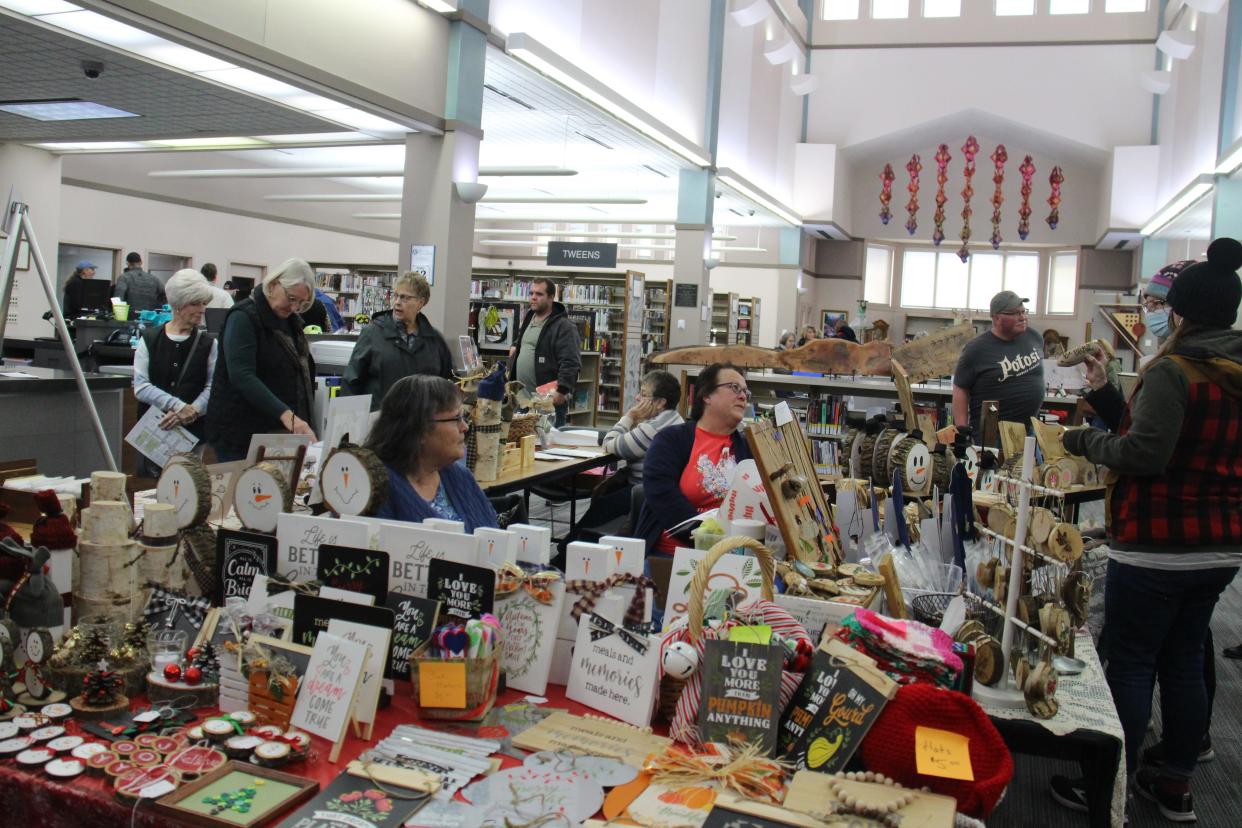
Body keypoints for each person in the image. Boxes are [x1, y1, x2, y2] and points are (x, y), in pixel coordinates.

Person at [1059, 238, 1242, 822]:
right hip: (1218, 545)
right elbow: (1176, 438)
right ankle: (1175, 785)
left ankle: (1105, 783)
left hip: (1157, 542)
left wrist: (1082, 439)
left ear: (1181, 313)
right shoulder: (1232, 371)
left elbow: (1144, 453)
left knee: (1132, 661)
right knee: (1185, 659)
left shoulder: (1173, 369)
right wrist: (1108, 396)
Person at [205, 258, 318, 461]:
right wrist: (286, 415)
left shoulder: (291, 323)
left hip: (277, 434)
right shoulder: (243, 317)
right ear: (274, 285)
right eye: (291, 298)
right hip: (241, 434)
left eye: (301, 303)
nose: (294, 307)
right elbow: (241, 375)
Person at [634, 363, 754, 553]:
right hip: (673, 554)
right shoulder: (671, 439)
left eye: (746, 392)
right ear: (706, 395)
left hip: (733, 554)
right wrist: (707, 538)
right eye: (734, 388)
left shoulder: (749, 448)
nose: (742, 396)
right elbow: (663, 495)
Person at [369, 375, 498, 532]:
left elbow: (495, 539)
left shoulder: (459, 475)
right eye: (456, 418)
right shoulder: (379, 488)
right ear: (419, 429)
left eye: (463, 417)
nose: (464, 427)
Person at [132, 269, 217, 475]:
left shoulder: (209, 343)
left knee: (190, 487)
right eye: (195, 304)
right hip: (154, 433)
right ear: (178, 305)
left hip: (193, 434)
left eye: (204, 303)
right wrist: (178, 407)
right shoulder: (149, 339)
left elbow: (213, 386)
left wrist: (193, 411)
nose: (202, 310)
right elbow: (141, 386)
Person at [342, 272, 454, 410]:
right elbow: (352, 382)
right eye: (395, 295)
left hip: (423, 423)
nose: (397, 302)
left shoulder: (434, 340)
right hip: (381, 423)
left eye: (405, 298)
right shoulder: (373, 333)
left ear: (421, 302)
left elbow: (446, 383)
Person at [951, 290, 1044, 437]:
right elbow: (960, 388)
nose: (1023, 317)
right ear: (996, 318)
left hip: (1028, 432)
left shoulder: (1034, 338)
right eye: (1015, 313)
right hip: (992, 436)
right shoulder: (976, 349)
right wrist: (962, 429)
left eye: (1024, 312)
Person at [508, 277, 581, 427]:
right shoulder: (529, 318)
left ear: (551, 298)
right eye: (531, 293)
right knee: (523, 447)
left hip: (547, 404)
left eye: (539, 294)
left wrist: (561, 391)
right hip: (522, 402)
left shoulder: (564, 327)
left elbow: (571, 362)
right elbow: (528, 340)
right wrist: (515, 346)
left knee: (545, 447)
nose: (533, 297)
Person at [603, 370, 685, 486]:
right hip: (662, 487)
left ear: (660, 403)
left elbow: (608, 444)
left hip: (643, 491)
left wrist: (629, 416)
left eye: (644, 394)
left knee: (599, 502)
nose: (637, 398)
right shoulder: (675, 418)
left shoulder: (652, 429)